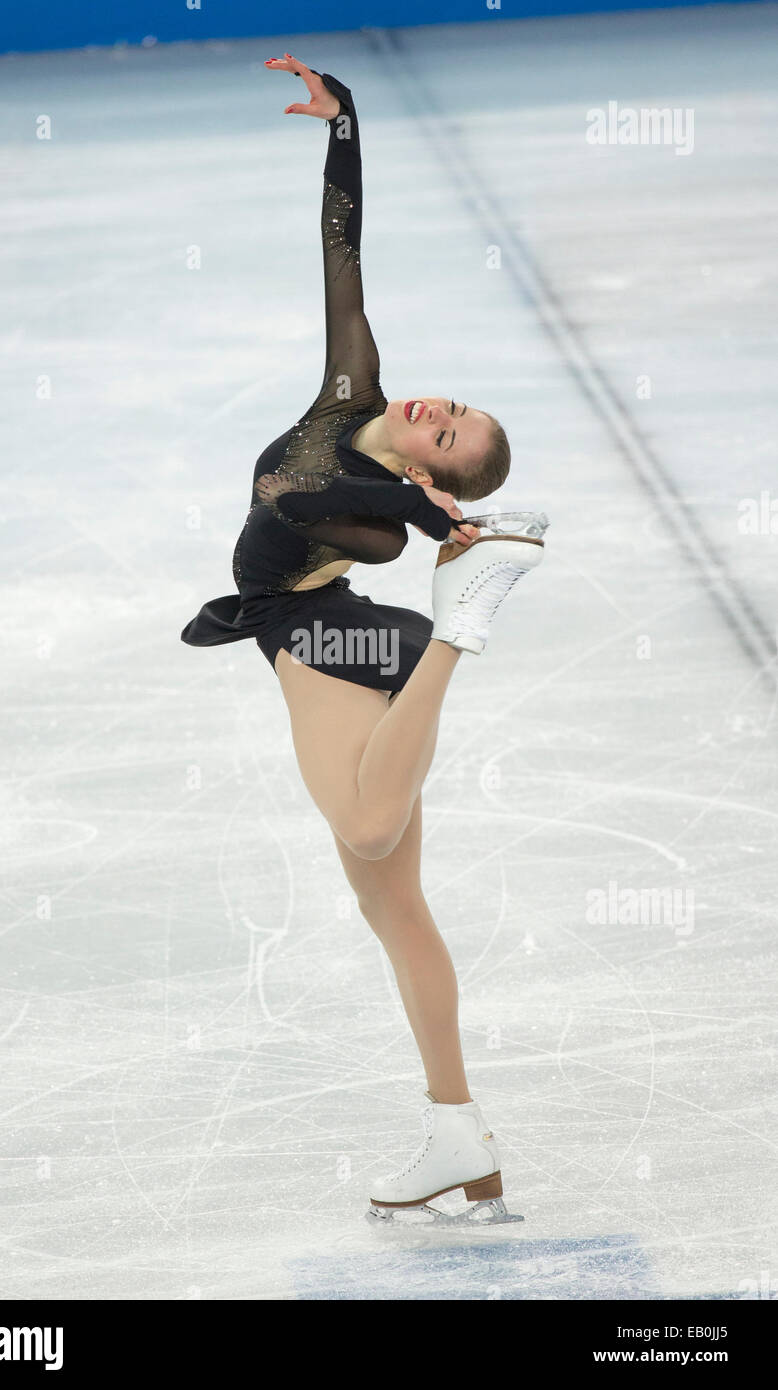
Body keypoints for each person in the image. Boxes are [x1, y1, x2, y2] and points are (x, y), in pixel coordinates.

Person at [182, 54, 548, 1224]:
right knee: (391, 904)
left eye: (446, 438)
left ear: (431, 470)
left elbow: (289, 510)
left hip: (321, 632)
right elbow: (341, 252)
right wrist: (346, 124)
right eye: (454, 404)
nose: (434, 409)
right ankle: (459, 1137)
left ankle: (462, 628)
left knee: (365, 826)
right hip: (352, 633)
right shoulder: (351, 390)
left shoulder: (375, 523)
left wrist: (424, 523)